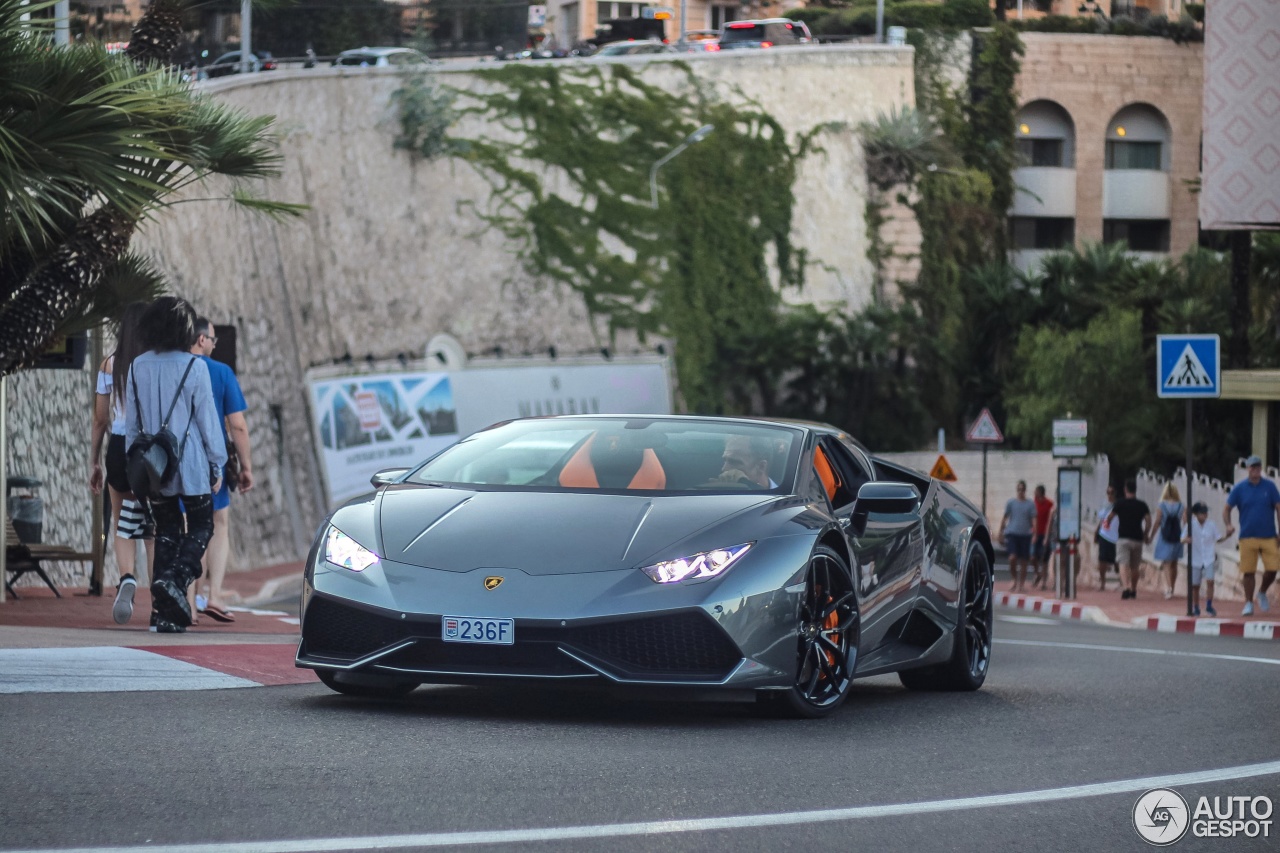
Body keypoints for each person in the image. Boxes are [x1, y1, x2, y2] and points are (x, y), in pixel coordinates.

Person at [125, 297, 227, 633]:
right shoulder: (194, 367)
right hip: (192, 462)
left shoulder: (137, 365)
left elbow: (132, 423)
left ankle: (161, 614)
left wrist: (137, 464)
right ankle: (177, 578)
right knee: (202, 526)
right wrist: (218, 462)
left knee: (166, 531)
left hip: (155, 464)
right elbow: (207, 422)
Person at [88, 302, 155, 623]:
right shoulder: (156, 364)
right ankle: (159, 599)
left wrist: (94, 462)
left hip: (117, 445)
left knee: (122, 523)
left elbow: (100, 419)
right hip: (150, 449)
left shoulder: (108, 365)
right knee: (153, 527)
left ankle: (127, 577)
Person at [188, 318, 254, 624]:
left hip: (178, 461)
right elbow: (237, 425)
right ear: (202, 339)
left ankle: (189, 602)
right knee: (218, 524)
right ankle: (213, 595)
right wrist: (245, 467)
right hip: (212, 462)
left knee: (189, 527)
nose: (215, 344)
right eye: (213, 340)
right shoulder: (221, 372)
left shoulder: (174, 368)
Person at [1223, 455, 1280, 616]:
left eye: (1258, 467)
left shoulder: (1270, 487)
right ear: (1248, 469)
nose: (1255, 470)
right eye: (1252, 467)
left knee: (1273, 568)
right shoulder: (1240, 488)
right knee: (1248, 571)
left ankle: (1261, 592)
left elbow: (1278, 507)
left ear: (1261, 469)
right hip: (1247, 535)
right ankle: (1248, 603)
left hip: (1269, 535)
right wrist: (1228, 525)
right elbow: (1227, 508)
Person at [1183, 502, 1228, 617]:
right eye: (1202, 513)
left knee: (1210, 581)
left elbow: (1218, 538)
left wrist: (1227, 536)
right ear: (1196, 514)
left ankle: (1209, 605)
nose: (1205, 515)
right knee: (1195, 585)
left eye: (1205, 513)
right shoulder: (1191, 525)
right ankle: (1196, 606)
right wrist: (1186, 540)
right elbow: (1182, 538)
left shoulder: (1211, 525)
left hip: (1208, 557)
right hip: (1195, 557)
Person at [1111, 479, 1151, 600]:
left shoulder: (1120, 503)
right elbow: (1148, 521)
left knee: (1123, 564)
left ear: (1125, 490)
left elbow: (1110, 517)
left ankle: (1126, 587)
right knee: (1135, 566)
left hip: (1123, 537)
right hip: (1137, 538)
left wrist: (1107, 523)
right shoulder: (1142, 505)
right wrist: (1145, 534)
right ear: (1135, 490)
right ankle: (1133, 589)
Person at [1148, 482, 1185, 600]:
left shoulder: (1161, 506)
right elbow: (1186, 522)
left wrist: (1151, 536)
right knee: (1174, 563)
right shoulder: (1182, 506)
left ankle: (1168, 588)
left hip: (1165, 537)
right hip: (1177, 537)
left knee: (1166, 563)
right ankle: (1172, 587)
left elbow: (1157, 522)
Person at [998, 481, 1036, 593]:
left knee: (1024, 561)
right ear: (1017, 490)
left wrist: (1035, 534)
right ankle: (1014, 579)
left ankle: (1021, 584)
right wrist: (1001, 532)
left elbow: (1034, 520)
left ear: (1025, 490)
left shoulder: (1030, 504)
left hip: (1025, 534)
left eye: (1022, 489)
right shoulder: (1011, 503)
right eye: (1019, 489)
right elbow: (1005, 517)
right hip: (1012, 533)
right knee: (1012, 558)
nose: (1020, 492)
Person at [1095, 484, 1119, 590]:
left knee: (1117, 561)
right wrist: (1096, 532)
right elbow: (1101, 520)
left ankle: (1121, 582)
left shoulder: (1118, 505)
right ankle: (1102, 582)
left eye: (1111, 493)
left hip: (1115, 537)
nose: (1109, 495)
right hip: (1104, 534)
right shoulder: (1104, 505)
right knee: (1102, 560)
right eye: (1108, 493)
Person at [1031, 484, 1054, 590]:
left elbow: (1051, 520)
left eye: (1036, 491)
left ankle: (1044, 582)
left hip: (1045, 534)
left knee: (1044, 558)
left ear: (1040, 492)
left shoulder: (1049, 504)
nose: (1034, 493)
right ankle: (1038, 573)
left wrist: (1047, 536)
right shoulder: (1033, 503)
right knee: (1033, 557)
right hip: (1035, 533)